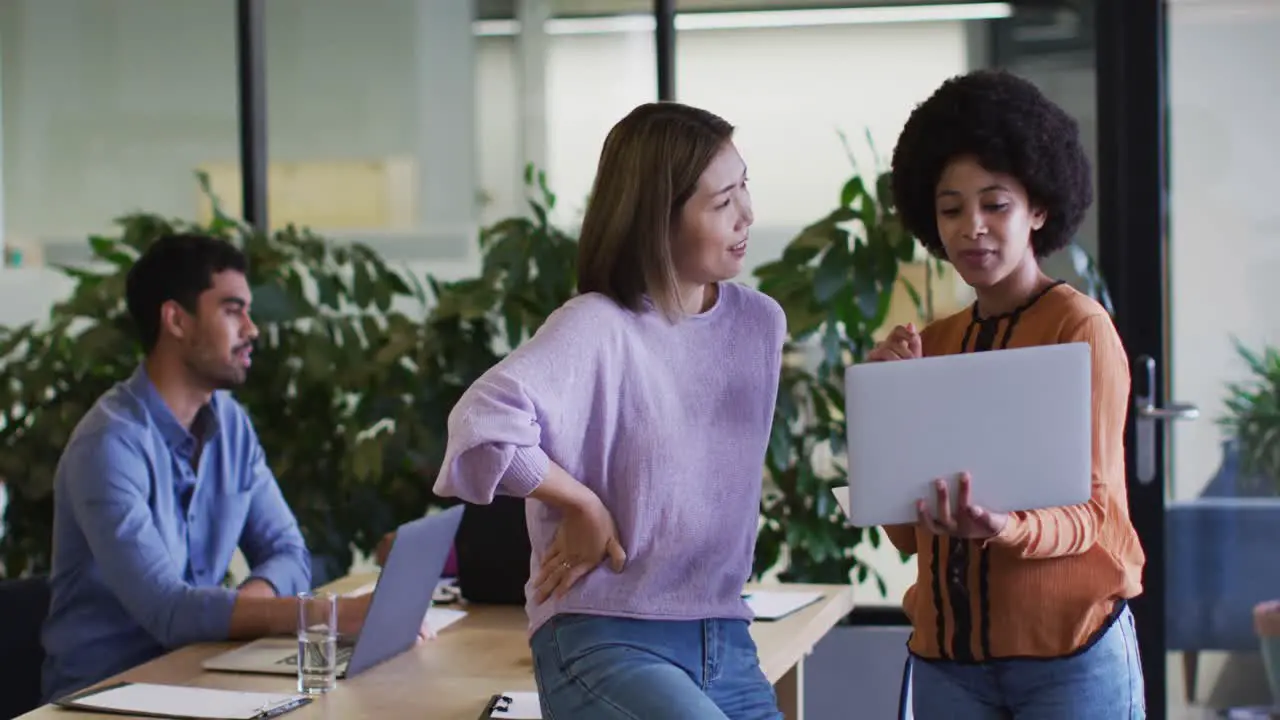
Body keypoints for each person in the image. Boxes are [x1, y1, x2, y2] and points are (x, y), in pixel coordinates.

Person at [433, 101, 786, 719]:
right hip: (604, 635)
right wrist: (582, 503)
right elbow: (479, 427)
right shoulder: (597, 327)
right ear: (659, 219)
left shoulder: (758, 325)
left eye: (744, 187)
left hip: (725, 636)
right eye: (722, 201)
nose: (747, 215)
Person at [869, 69, 1147, 718]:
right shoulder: (930, 344)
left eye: (995, 204)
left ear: (1039, 209)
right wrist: (886, 415)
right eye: (950, 208)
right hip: (947, 665)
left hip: (1070, 657)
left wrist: (1004, 528)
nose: (973, 227)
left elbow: (1094, 514)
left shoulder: (1079, 328)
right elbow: (906, 536)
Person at [41, 234, 374, 702]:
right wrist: (323, 614)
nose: (252, 329)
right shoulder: (108, 445)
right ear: (176, 319)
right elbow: (169, 612)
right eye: (233, 310)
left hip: (204, 672)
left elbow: (289, 552)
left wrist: (247, 605)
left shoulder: (231, 423)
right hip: (107, 696)